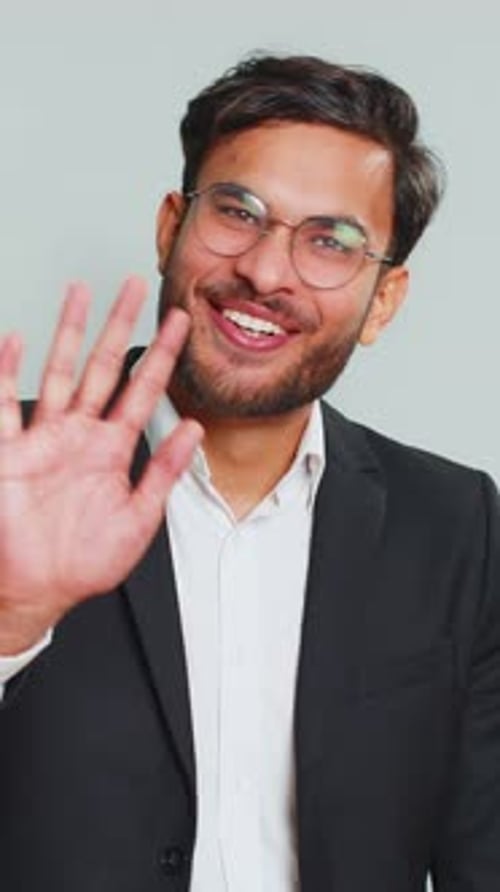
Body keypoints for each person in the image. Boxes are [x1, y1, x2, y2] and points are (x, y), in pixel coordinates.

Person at [0, 54, 498, 892]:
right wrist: (9, 616)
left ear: (384, 300)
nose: (266, 273)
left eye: (331, 243)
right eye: (238, 212)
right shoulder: (13, 475)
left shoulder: (454, 523)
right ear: (170, 226)